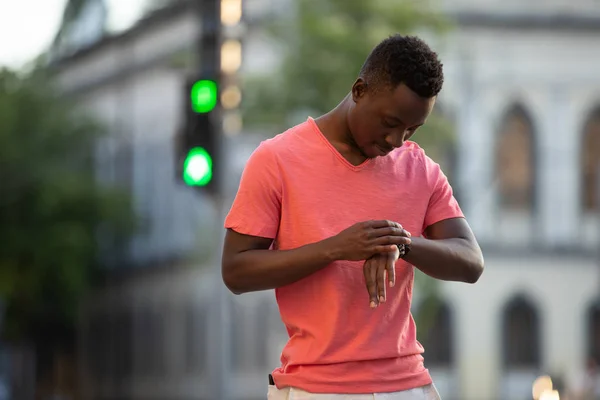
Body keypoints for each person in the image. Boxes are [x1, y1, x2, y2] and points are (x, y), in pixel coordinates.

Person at [222, 34, 484, 399]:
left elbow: (471, 262)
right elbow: (236, 271)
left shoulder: (420, 168)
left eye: (411, 129)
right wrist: (335, 248)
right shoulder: (277, 160)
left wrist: (399, 243)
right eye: (390, 122)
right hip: (317, 388)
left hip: (406, 386)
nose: (397, 140)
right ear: (360, 90)